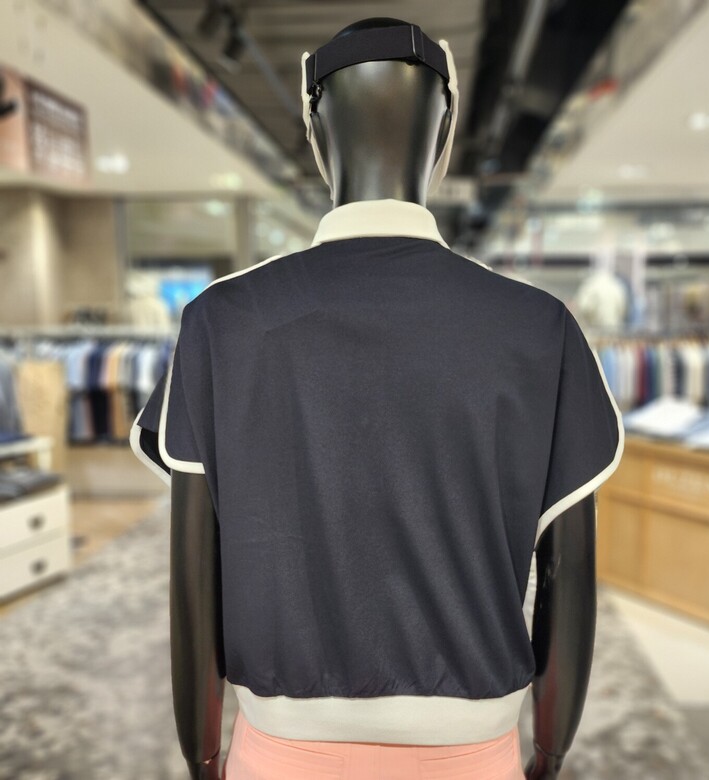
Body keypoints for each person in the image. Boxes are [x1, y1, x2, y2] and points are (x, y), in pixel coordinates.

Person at [130, 17, 623, 780]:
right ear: (444, 131)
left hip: (279, 748)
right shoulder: (539, 328)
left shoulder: (222, 323)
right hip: (475, 748)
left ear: (316, 131)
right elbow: (571, 579)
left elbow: (192, 574)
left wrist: (202, 757)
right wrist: (550, 753)